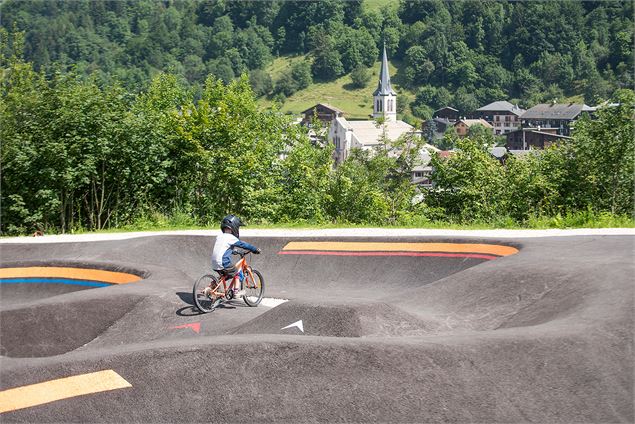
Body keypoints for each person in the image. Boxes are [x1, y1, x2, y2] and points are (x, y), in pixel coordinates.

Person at [211, 214, 260, 298]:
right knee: (236, 272)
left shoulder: (219, 236)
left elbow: (223, 247)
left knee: (226, 275)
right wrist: (254, 249)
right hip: (223, 262)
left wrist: (232, 250)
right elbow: (243, 244)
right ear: (234, 227)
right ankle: (236, 292)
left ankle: (211, 286)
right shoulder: (231, 237)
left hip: (214, 262)